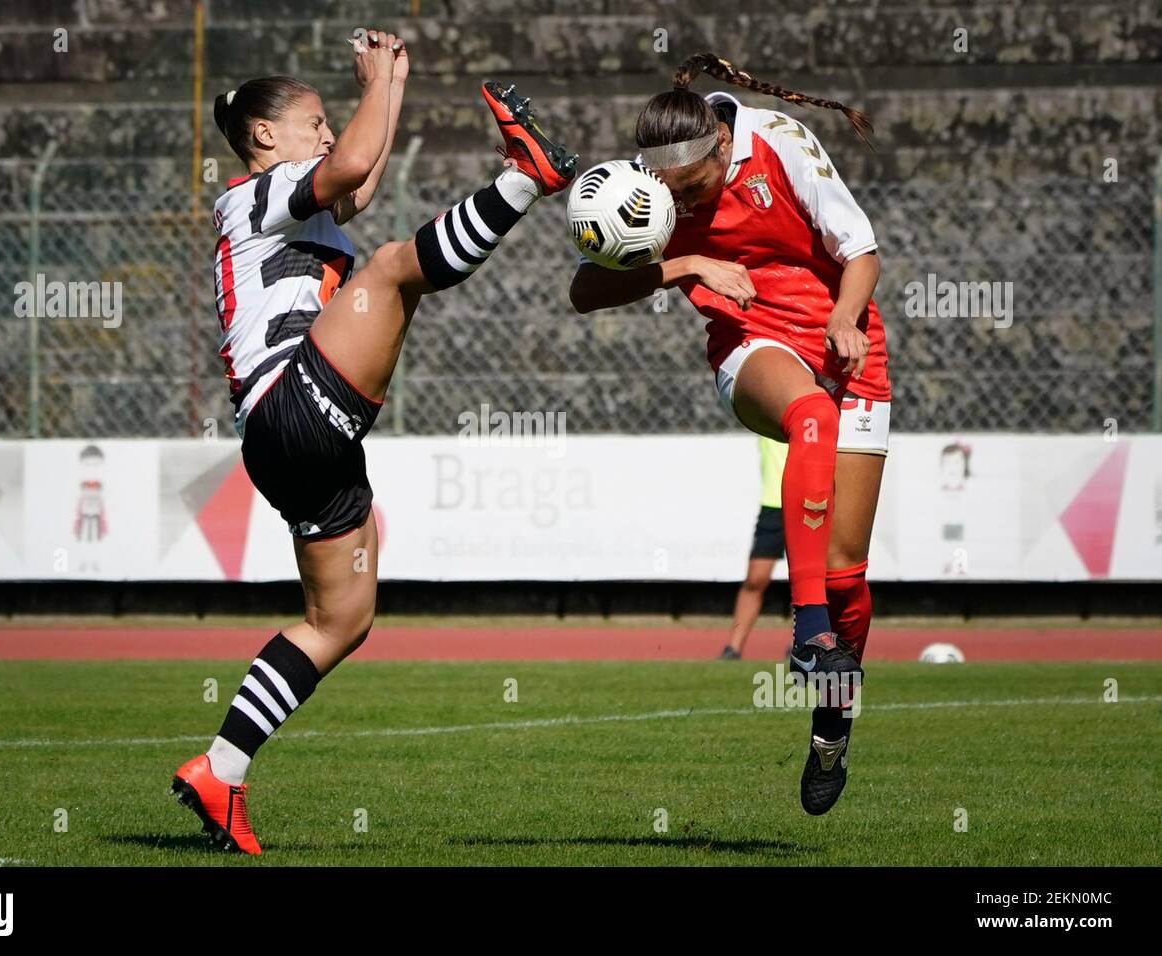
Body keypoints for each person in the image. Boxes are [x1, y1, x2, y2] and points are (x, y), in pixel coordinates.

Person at [171, 31, 578, 853]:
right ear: (264, 139)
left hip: (290, 441)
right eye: (312, 121)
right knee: (394, 268)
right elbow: (352, 167)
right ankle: (525, 175)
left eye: (328, 121)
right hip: (294, 405)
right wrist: (370, 91)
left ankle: (221, 768)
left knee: (342, 620)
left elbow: (357, 180)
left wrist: (388, 85)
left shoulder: (291, 200)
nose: (326, 133)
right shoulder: (254, 194)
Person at [570, 53, 890, 815]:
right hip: (752, 344)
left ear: (722, 144)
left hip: (848, 340)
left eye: (693, 189)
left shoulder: (781, 142)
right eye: (668, 193)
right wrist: (685, 264)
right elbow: (585, 291)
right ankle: (807, 632)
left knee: (848, 576)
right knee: (807, 415)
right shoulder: (649, 184)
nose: (678, 200)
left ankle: (832, 721)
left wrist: (843, 318)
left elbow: (862, 251)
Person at [719, 436, 787, 661]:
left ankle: (802, 645)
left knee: (808, 581)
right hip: (773, 505)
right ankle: (733, 648)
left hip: (809, 503)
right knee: (755, 579)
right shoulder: (766, 417)